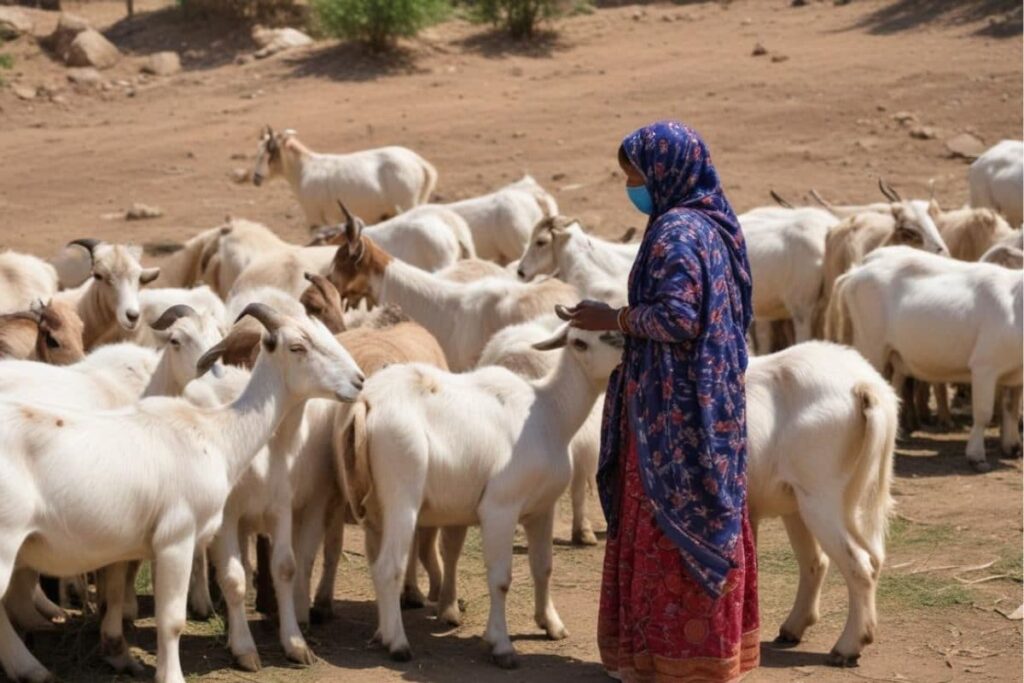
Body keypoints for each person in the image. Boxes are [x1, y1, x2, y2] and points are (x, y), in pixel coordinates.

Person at [567, 121, 759, 682]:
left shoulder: (675, 231)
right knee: (711, 514)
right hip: (710, 404)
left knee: (667, 522)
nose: (630, 184)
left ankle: (669, 661)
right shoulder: (714, 223)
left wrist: (614, 318)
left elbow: (678, 317)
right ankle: (709, 656)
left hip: (673, 418)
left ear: (664, 171)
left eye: (635, 175)